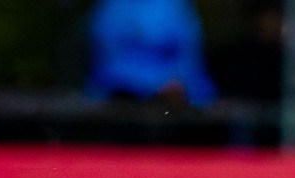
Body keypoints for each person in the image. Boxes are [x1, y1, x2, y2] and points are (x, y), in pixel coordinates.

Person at [86, 0, 217, 107]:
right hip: (121, 95)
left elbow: (189, 57)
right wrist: (151, 86)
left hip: (176, 92)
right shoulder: (112, 6)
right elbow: (108, 62)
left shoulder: (176, 4)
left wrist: (177, 82)